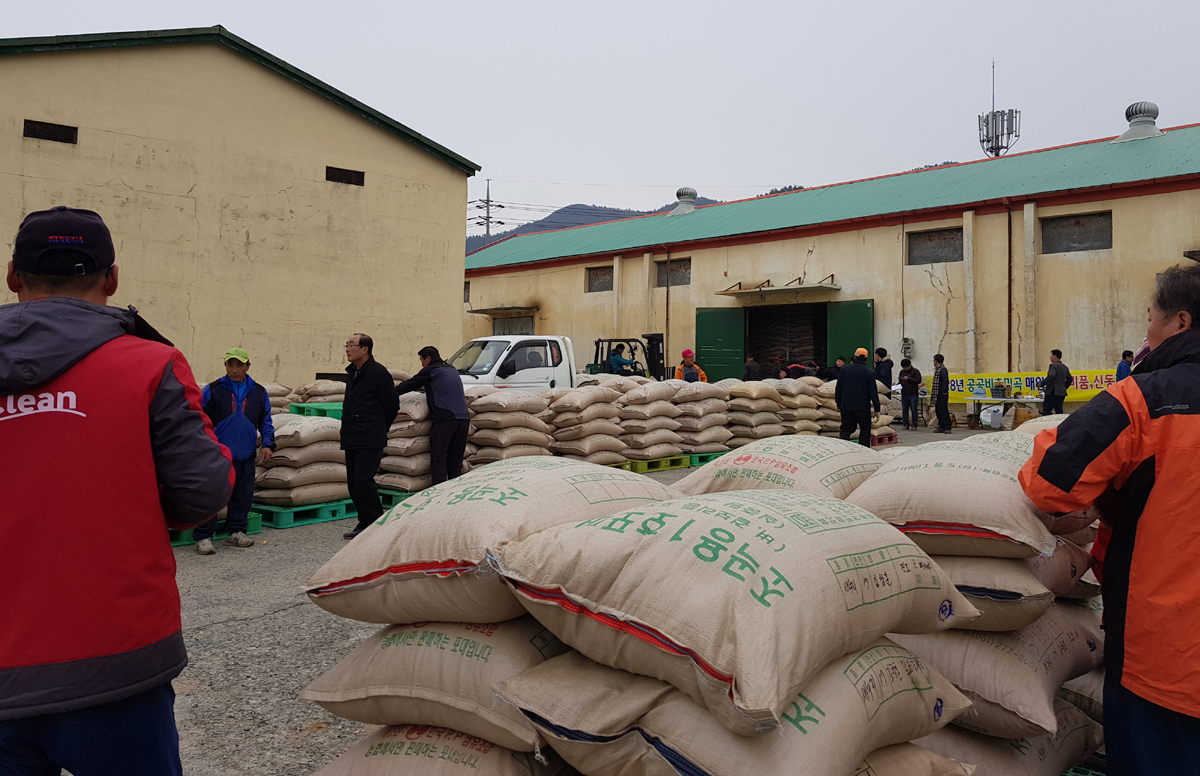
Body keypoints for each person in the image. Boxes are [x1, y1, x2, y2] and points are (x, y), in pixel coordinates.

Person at [0, 206, 233, 774]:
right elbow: (203, 495)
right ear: (111, 279)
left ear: (13, 276)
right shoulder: (149, 365)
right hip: (114, 666)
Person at [1019, 264, 1200, 775]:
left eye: (1152, 318)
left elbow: (1051, 484)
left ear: (1180, 322)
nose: (1148, 332)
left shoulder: (1144, 400)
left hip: (1168, 654)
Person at [194, 347, 276, 555]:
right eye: (230, 364)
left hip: (245, 452)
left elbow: (265, 420)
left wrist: (267, 443)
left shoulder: (258, 392)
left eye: (239, 365)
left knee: (242, 493)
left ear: (248, 366)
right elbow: (198, 419)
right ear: (225, 366)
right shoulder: (213, 390)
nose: (234, 369)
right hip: (217, 454)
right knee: (210, 495)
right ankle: (204, 536)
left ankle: (236, 531)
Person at [341, 333, 400, 540]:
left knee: (363, 479)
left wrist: (379, 427)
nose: (347, 349)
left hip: (370, 435)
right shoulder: (353, 373)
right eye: (346, 345)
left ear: (364, 349)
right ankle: (364, 520)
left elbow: (392, 404)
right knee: (353, 482)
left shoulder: (378, 373)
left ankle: (374, 521)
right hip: (352, 435)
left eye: (351, 345)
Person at [394, 346, 470, 487]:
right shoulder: (451, 370)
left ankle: (438, 495)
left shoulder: (431, 370)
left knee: (439, 460)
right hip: (464, 419)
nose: (421, 364)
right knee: (455, 463)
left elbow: (409, 385)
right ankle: (456, 493)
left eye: (421, 360)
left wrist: (388, 393)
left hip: (445, 420)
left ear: (428, 359)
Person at [835, 348, 881, 447]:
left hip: (846, 406)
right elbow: (873, 392)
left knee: (845, 430)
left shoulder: (844, 370)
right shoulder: (869, 373)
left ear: (855, 357)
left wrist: (838, 403)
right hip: (863, 407)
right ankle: (863, 453)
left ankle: (843, 450)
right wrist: (877, 409)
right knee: (864, 431)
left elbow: (839, 388)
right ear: (867, 359)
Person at [1041, 349, 1071, 415]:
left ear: (1055, 356)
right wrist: (1063, 387)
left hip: (1053, 392)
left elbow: (1051, 376)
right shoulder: (1065, 367)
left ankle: (1048, 425)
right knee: (1059, 411)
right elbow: (1070, 379)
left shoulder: (1053, 366)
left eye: (1051, 355)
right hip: (1061, 393)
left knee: (1047, 411)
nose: (1050, 357)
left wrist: (1042, 384)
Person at [897, 358, 922, 430]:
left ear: (909, 366)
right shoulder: (902, 372)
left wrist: (908, 379)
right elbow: (900, 381)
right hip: (904, 393)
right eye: (903, 367)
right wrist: (897, 386)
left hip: (913, 394)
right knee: (905, 410)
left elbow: (918, 380)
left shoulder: (915, 371)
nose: (905, 369)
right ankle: (906, 423)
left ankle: (914, 424)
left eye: (906, 367)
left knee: (914, 410)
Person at [931, 354, 951, 433]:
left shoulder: (942, 370)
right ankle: (941, 425)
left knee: (943, 410)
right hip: (937, 394)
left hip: (942, 394)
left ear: (936, 361)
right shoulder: (938, 369)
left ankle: (947, 426)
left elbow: (945, 381)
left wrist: (944, 391)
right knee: (938, 410)